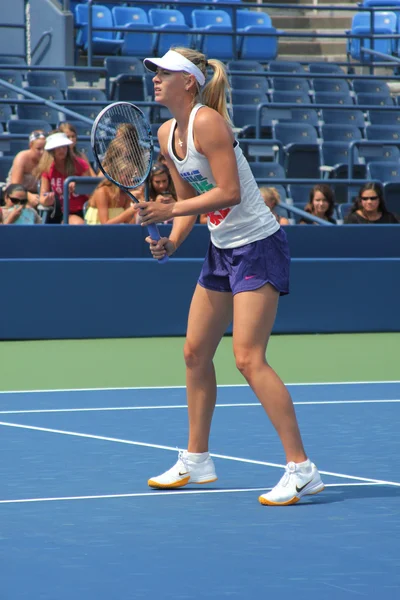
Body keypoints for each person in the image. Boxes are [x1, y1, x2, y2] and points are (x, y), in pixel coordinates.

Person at [135, 47, 324, 506]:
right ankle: (197, 458)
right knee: (195, 351)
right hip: (221, 249)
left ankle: (302, 469)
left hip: (258, 245)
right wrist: (173, 240)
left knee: (248, 358)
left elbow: (229, 191)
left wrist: (170, 209)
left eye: (165, 72)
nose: (155, 78)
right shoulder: (167, 133)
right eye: (154, 72)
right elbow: (188, 199)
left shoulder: (208, 123)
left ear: (189, 83)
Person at [35, 131, 92, 224]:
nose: (62, 150)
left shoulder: (80, 164)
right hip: (59, 212)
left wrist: (80, 186)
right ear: (51, 150)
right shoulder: (47, 168)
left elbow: (91, 193)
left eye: (64, 146)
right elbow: (42, 196)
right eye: (58, 147)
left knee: (78, 223)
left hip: (81, 210)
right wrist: (46, 200)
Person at [6, 130, 46, 207]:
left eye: (45, 149)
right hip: (15, 194)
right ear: (31, 145)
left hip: (37, 195)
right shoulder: (22, 157)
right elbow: (15, 186)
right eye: (39, 149)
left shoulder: (49, 159)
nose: (42, 152)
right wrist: (28, 196)